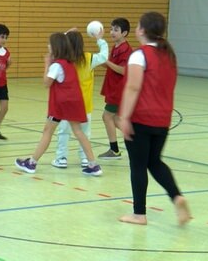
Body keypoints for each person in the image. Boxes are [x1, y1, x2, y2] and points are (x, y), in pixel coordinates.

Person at [117, 11, 190, 226]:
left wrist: (124, 117)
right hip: (162, 119)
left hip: (141, 117)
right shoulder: (169, 55)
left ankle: (139, 214)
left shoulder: (140, 55)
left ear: (141, 30)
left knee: (138, 165)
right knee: (154, 162)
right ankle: (177, 196)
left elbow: (133, 86)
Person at [14, 32, 102, 176]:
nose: (47, 46)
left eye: (49, 44)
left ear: (56, 47)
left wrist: (47, 64)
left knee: (48, 131)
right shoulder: (70, 63)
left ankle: (31, 163)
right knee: (79, 132)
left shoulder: (57, 65)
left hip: (62, 104)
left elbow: (46, 83)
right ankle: (93, 164)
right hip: (74, 101)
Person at [52, 28, 108, 169]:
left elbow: (57, 44)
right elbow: (104, 56)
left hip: (67, 103)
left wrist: (65, 33)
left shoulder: (64, 60)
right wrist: (99, 39)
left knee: (63, 131)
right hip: (85, 104)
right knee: (84, 133)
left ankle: (61, 158)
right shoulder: (89, 58)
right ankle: (84, 158)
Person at [98, 18, 133, 160]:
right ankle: (138, 139)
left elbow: (124, 70)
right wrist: (99, 61)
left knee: (107, 116)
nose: (112, 32)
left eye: (116, 30)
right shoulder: (116, 47)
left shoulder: (126, 50)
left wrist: (106, 62)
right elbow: (111, 65)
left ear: (124, 33)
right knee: (117, 119)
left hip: (119, 90)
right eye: (111, 29)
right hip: (113, 87)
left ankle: (114, 150)